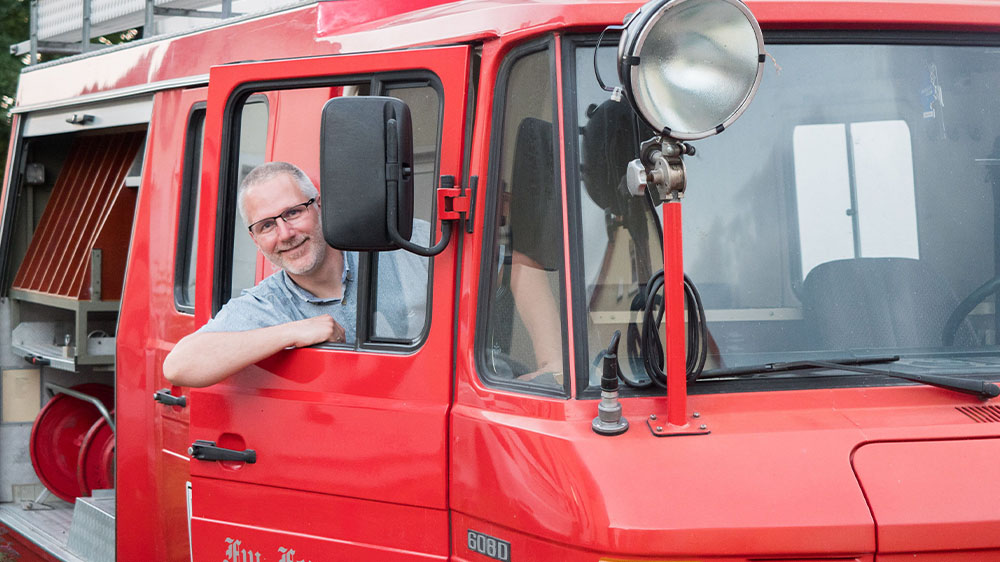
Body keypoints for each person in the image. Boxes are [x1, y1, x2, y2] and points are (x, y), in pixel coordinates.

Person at [162, 161, 426, 387]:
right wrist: (292, 332)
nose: (285, 234)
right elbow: (178, 366)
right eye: (267, 226)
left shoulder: (404, 245)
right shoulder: (268, 303)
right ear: (255, 240)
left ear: (321, 206)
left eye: (293, 213)